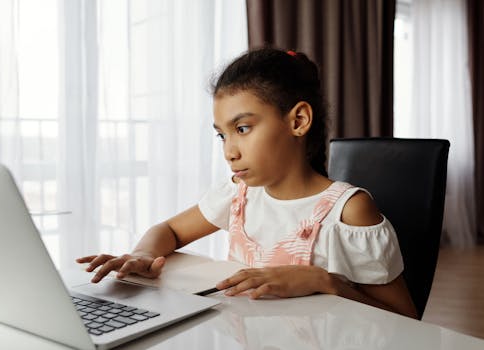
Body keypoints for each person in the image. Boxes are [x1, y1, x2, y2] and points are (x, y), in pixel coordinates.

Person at [77, 47, 418, 319]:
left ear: (298, 120)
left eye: (242, 129)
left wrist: (324, 281)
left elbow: (406, 319)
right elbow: (170, 230)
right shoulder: (239, 196)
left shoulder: (348, 211)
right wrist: (142, 255)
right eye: (221, 135)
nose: (229, 151)